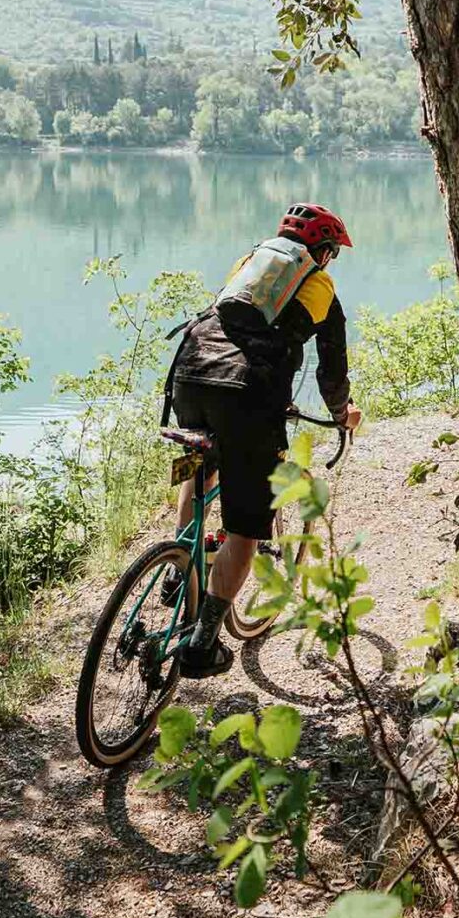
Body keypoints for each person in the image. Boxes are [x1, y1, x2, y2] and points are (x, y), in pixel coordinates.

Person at [165, 202, 363, 677]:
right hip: (244, 395)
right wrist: (343, 414)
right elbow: (331, 370)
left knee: (200, 463)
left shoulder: (248, 265)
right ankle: (203, 643)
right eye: (332, 253)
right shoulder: (319, 285)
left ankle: (179, 567)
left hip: (188, 377)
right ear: (323, 250)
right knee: (246, 529)